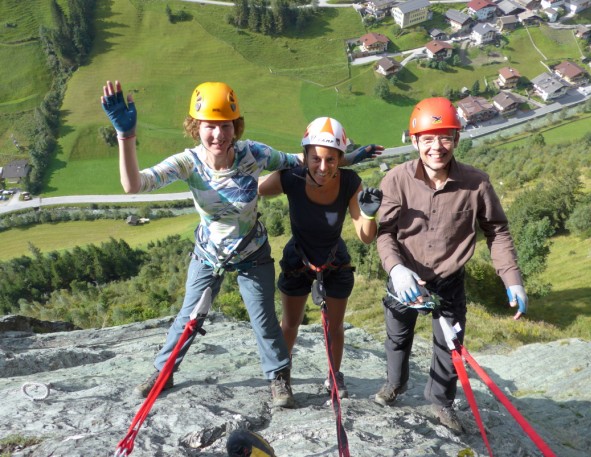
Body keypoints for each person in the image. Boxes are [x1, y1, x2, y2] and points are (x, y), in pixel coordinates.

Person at [100, 81, 378, 409]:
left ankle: (279, 378)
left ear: (236, 126)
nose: (218, 134)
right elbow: (133, 186)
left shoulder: (254, 154)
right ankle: (164, 370)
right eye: (209, 127)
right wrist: (126, 137)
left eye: (225, 126)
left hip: (252, 252)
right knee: (190, 316)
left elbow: (303, 162)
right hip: (209, 254)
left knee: (264, 319)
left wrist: (345, 159)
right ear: (195, 127)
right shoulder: (188, 164)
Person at [373, 97, 528, 433]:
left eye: (445, 138)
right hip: (405, 279)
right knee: (397, 338)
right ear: (415, 141)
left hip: (448, 281)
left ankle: (441, 403)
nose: (436, 147)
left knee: (450, 347)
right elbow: (384, 233)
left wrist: (511, 278)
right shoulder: (396, 181)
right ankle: (395, 384)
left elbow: (497, 231)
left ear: (456, 140)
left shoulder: (476, 183)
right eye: (428, 139)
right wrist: (396, 270)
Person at [258, 117, 383, 399]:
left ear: (340, 159)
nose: (323, 168)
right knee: (290, 322)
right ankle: (281, 374)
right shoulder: (291, 178)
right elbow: (255, 190)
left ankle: (334, 375)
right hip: (298, 261)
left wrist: (369, 214)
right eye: (315, 159)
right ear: (304, 157)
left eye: (330, 160)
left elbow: (365, 236)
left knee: (335, 326)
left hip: (333, 261)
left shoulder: (350, 182)